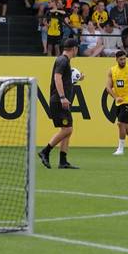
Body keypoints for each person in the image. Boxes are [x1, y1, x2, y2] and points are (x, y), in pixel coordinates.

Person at [39, 39, 82, 169]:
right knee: (67, 129)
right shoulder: (62, 60)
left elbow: (63, 79)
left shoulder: (64, 61)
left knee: (68, 129)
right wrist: (63, 97)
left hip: (60, 100)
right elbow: (57, 77)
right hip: (58, 100)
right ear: (74, 48)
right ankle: (45, 151)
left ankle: (63, 161)